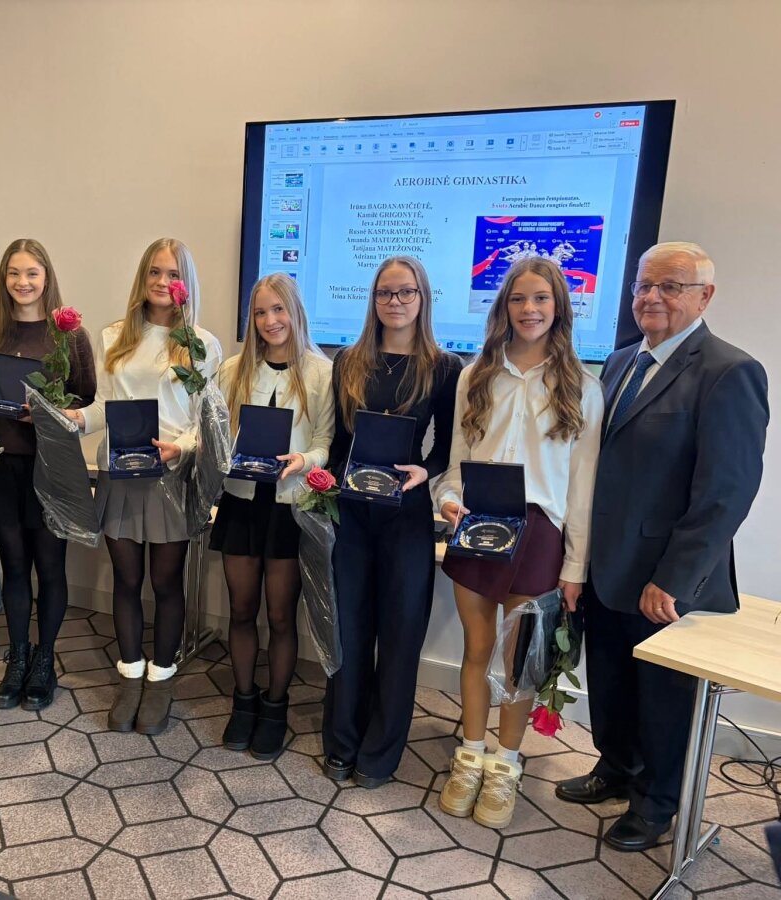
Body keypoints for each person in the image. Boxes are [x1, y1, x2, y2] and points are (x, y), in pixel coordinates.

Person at [554, 242, 767, 851]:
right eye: (644, 285)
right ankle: (616, 767)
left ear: (705, 296)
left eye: (670, 286)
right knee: (612, 681)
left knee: (664, 701)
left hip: (663, 579)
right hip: (607, 565)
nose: (651, 297)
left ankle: (656, 805)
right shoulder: (621, 361)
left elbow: (725, 493)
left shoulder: (729, 371)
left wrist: (674, 577)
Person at [434, 257, 603, 829]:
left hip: (540, 536)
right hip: (478, 526)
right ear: (504, 307)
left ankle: (506, 764)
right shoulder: (476, 375)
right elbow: (457, 462)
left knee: (520, 663)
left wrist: (575, 566)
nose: (529, 309)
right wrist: (448, 500)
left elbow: (581, 487)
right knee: (476, 649)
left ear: (559, 307)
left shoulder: (583, 386)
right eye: (518, 299)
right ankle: (469, 756)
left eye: (541, 299)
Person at [67, 238, 223, 735]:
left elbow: (208, 421)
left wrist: (183, 447)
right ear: (143, 277)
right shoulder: (114, 335)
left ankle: (162, 678)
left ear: (186, 284)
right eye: (155, 272)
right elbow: (102, 406)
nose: (162, 282)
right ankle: (130, 674)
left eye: (173, 274)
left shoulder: (202, 344)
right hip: (121, 473)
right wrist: (74, 419)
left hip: (170, 476)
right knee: (126, 580)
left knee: (166, 582)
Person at [322, 256, 462, 787]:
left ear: (422, 298)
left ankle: (379, 754)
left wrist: (424, 471)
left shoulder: (444, 367)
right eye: (385, 292)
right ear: (373, 299)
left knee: (400, 636)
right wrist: (330, 481)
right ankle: (342, 742)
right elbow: (338, 442)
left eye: (406, 292)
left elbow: (447, 447)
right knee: (349, 629)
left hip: (407, 516)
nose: (395, 302)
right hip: (352, 513)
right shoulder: (348, 360)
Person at [213, 274, 332, 760]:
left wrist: (304, 461)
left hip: (289, 507)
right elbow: (216, 433)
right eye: (261, 312)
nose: (270, 320)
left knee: (281, 615)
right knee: (241, 609)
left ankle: (276, 707)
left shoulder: (321, 373)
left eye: (278, 310)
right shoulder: (233, 369)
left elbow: (326, 442)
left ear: (295, 312)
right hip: (242, 503)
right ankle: (243, 701)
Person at [0, 239, 96, 711]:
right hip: (4, 465)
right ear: (4, 279)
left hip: (52, 468)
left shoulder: (70, 336)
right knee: (14, 565)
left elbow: (86, 399)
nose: (22, 282)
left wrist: (47, 410)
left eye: (31, 273)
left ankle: (45, 660)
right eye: (13, 273)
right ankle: (18, 657)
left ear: (47, 278)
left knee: (49, 566)